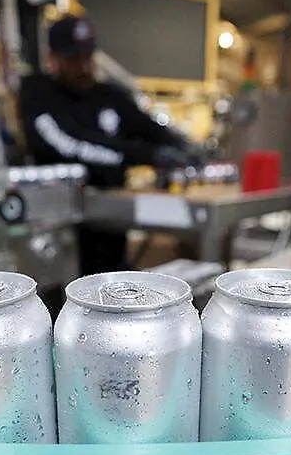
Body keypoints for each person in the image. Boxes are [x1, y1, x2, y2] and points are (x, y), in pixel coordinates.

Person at [19, 15, 198, 273]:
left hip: (112, 229)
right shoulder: (38, 94)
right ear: (53, 59)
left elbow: (147, 127)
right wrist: (149, 155)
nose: (83, 68)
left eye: (87, 57)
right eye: (73, 60)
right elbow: (72, 146)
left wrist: (182, 146)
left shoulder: (109, 95)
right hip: (62, 232)